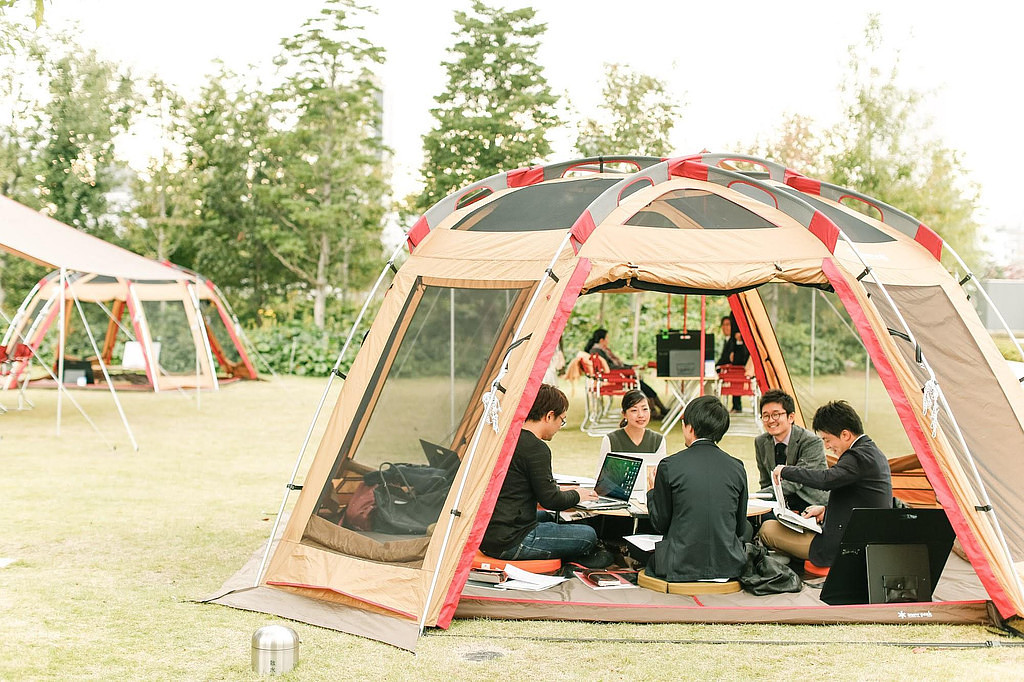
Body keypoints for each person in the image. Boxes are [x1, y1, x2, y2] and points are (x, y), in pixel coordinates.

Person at [481, 384, 613, 567]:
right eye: (562, 420)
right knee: (588, 535)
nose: (560, 426)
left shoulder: (510, 437)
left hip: (489, 535)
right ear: (549, 415)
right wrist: (578, 494)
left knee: (549, 518)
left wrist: (564, 489)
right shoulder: (536, 448)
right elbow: (550, 501)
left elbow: (524, 484)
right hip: (511, 542)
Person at [758, 400, 893, 568]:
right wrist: (826, 511)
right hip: (860, 534)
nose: (827, 446)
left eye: (827, 440)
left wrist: (786, 471)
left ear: (845, 435)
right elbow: (860, 499)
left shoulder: (858, 456)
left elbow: (826, 479)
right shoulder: (870, 452)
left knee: (768, 529)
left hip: (847, 544)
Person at [645, 395, 750, 582]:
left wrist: (652, 492)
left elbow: (660, 523)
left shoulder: (670, 465)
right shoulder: (737, 467)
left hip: (679, 565)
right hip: (729, 565)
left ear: (690, 427)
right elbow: (740, 527)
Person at [754, 389, 828, 513]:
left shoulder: (811, 442)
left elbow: (796, 481)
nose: (771, 420)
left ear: (791, 417)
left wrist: (756, 496)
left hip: (811, 505)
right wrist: (761, 499)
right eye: (766, 416)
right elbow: (766, 482)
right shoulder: (761, 442)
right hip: (780, 504)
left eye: (776, 414)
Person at [584, 328, 668, 419]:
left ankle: (657, 410)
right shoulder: (597, 352)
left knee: (644, 387)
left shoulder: (600, 350)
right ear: (601, 340)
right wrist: (629, 369)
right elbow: (610, 368)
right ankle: (656, 410)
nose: (608, 340)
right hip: (617, 377)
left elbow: (614, 366)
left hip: (619, 375)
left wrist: (630, 367)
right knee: (642, 387)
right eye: (607, 338)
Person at [596, 390, 668, 495]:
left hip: (647, 498)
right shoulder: (611, 439)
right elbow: (600, 478)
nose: (641, 415)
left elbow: (660, 477)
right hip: (617, 497)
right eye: (634, 410)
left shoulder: (658, 440)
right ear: (624, 414)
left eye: (645, 409)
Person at [716, 315, 750, 413]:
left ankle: (736, 405)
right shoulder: (727, 341)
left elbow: (728, 359)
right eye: (723, 325)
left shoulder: (735, 343)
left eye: (728, 325)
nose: (725, 327)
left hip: (734, 373)